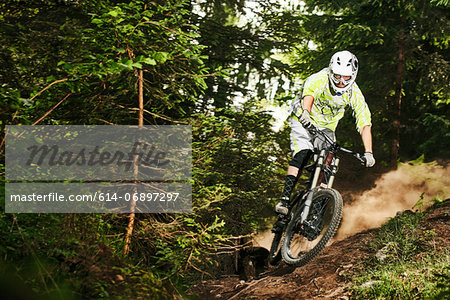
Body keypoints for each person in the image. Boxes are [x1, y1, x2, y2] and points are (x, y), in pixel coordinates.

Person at [275, 50, 375, 215]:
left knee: (330, 160)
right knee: (303, 153)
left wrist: (369, 152)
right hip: (303, 119)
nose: (341, 82)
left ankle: (315, 203)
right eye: (337, 76)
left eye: (346, 78)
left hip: (326, 128)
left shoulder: (354, 93)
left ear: (353, 76)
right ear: (331, 71)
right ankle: (285, 198)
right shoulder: (319, 78)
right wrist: (306, 113)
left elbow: (364, 124)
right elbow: (309, 95)